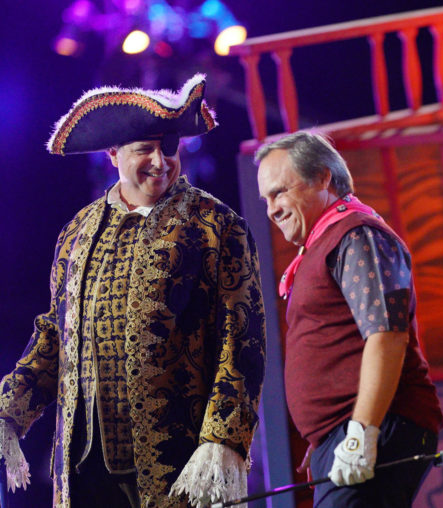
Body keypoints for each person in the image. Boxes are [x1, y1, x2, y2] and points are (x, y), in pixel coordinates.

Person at [0, 74, 266, 508]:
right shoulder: (76, 233)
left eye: (170, 147)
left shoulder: (216, 225)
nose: (161, 161)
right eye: (145, 149)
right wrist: (9, 411)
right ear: (113, 154)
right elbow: (54, 337)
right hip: (83, 467)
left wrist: (223, 437)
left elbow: (242, 340)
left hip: (175, 464)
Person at [255, 132, 443, 508]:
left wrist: (360, 433)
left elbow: (386, 335)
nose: (271, 209)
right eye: (266, 199)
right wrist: (327, 438)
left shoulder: (356, 234)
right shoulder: (328, 241)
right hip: (348, 433)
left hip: (377, 425)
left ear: (323, 178)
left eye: (279, 192)